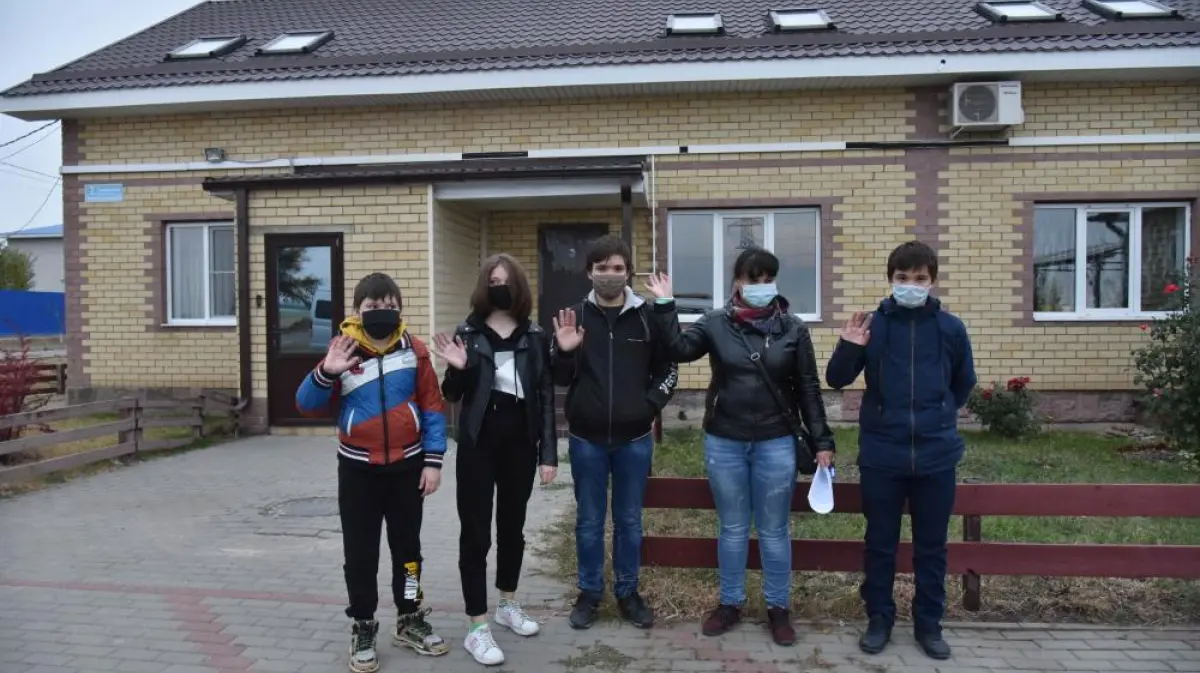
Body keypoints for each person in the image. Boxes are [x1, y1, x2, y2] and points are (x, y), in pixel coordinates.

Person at [643, 246, 836, 647]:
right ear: (737, 282)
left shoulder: (794, 329)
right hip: (725, 440)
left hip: (776, 442)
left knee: (774, 530)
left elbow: (808, 388)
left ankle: (778, 609)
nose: (761, 287)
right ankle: (730, 604)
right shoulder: (715, 323)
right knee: (732, 528)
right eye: (753, 279)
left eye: (768, 280)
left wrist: (822, 441)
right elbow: (679, 349)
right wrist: (665, 305)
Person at [824, 241, 976, 661]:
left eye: (919, 279)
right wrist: (850, 344)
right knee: (880, 543)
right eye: (902, 278)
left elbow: (963, 383)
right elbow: (836, 378)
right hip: (883, 456)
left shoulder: (950, 329)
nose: (911, 285)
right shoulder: (873, 325)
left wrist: (939, 414)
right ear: (891, 280)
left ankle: (929, 624)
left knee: (931, 546)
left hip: (935, 457)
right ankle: (879, 619)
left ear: (933, 280)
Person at [295, 273, 450, 673]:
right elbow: (306, 404)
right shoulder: (342, 351)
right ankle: (363, 623)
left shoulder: (415, 351)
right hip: (358, 472)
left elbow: (433, 409)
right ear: (357, 312)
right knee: (360, 555)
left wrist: (433, 462)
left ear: (399, 307)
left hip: (408, 470)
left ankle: (410, 616)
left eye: (388, 306)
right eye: (372, 307)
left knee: (409, 553)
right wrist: (327, 372)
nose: (381, 312)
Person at [433, 254, 558, 666]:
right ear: (483, 286)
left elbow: (543, 395)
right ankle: (476, 625)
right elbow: (452, 394)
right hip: (477, 443)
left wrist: (549, 454)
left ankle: (507, 603)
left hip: (520, 444)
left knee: (512, 528)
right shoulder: (468, 331)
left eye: (505, 280)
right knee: (475, 534)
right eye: (492, 280)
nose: (498, 286)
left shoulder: (535, 334)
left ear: (517, 286)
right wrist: (457, 370)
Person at [551, 234, 679, 630]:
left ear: (628, 272)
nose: (610, 275)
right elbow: (558, 378)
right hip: (587, 440)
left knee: (628, 521)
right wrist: (565, 351)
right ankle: (589, 593)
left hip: (634, 440)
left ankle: (628, 592)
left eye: (618, 268)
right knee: (589, 522)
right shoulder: (573, 316)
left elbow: (668, 369)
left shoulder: (647, 316)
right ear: (589, 272)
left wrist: (650, 405)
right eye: (602, 268)